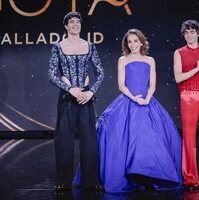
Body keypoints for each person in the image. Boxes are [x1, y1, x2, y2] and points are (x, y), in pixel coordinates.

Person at [96, 29, 183, 193]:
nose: (133, 44)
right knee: (123, 137)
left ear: (142, 42)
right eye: (130, 42)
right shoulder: (123, 60)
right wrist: (135, 99)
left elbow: (153, 85)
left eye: (136, 41)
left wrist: (147, 98)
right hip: (129, 101)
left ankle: (149, 176)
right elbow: (121, 85)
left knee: (150, 139)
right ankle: (131, 175)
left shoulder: (150, 60)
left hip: (147, 101)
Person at [48, 11, 104, 192]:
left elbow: (100, 72)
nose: (75, 24)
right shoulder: (58, 46)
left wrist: (91, 92)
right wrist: (70, 89)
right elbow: (51, 74)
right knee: (64, 141)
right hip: (67, 98)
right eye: (71, 22)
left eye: (77, 22)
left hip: (86, 99)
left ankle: (91, 181)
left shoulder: (89, 46)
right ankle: (62, 181)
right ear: (66, 26)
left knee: (89, 141)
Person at [173, 19, 199, 190]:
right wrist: (197, 69)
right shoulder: (179, 52)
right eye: (186, 32)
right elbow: (178, 78)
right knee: (189, 138)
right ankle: (190, 179)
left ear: (198, 33)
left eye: (192, 31)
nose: (189, 35)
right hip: (188, 96)